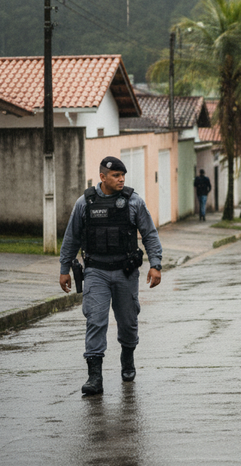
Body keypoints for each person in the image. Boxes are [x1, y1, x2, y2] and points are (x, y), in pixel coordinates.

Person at [59, 156, 163, 396]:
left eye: (122, 175)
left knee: (128, 321)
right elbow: (71, 237)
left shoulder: (133, 201)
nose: (121, 179)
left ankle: (127, 358)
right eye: (116, 175)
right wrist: (64, 268)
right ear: (102, 177)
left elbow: (149, 234)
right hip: (96, 271)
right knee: (95, 320)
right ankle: (95, 377)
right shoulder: (84, 203)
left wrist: (155, 264)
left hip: (125, 271)